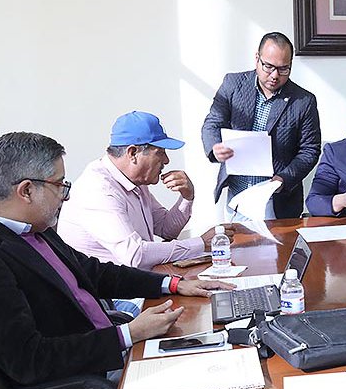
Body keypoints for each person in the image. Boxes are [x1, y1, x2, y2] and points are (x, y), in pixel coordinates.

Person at [0, 132, 233, 389]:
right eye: (60, 185)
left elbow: (94, 272)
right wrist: (128, 334)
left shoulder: (35, 228)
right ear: (27, 190)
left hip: (107, 359)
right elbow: (30, 361)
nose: (66, 195)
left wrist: (172, 284)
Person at [59, 111, 235, 273]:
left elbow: (166, 230)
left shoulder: (135, 182)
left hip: (135, 281)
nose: (166, 160)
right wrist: (200, 243)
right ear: (133, 153)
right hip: (107, 293)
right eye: (160, 152)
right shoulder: (98, 190)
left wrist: (187, 197)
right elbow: (135, 255)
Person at [201, 31, 321, 219]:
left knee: (277, 240)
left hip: (277, 200)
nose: (275, 75)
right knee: (236, 238)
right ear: (257, 58)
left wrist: (284, 178)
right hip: (237, 195)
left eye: (283, 69)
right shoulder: (233, 84)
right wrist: (214, 147)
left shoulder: (303, 101)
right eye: (269, 67)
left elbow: (310, 150)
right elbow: (212, 123)